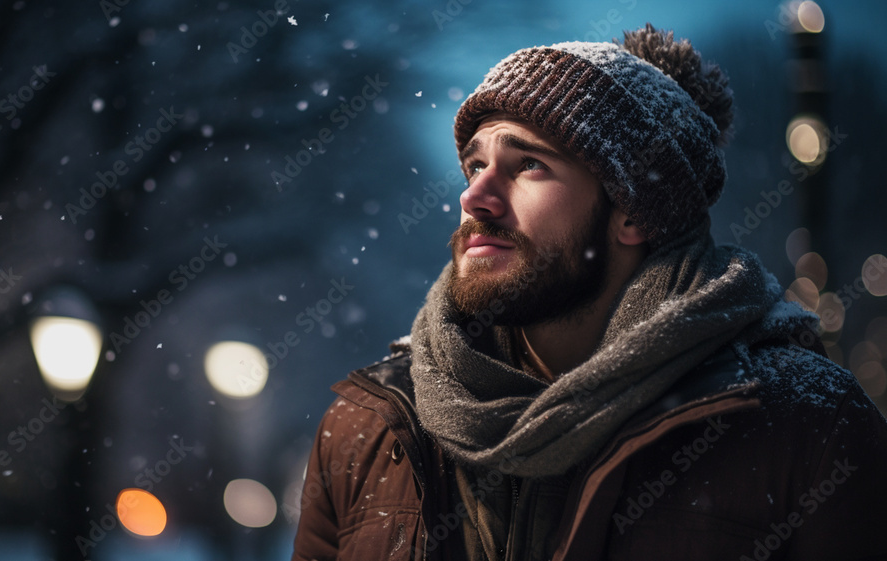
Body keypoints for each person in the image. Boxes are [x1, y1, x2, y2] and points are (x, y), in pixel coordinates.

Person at [291, 24, 887, 560]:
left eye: (528, 165)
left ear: (633, 212)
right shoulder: (367, 428)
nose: (476, 197)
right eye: (475, 166)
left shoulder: (805, 425)